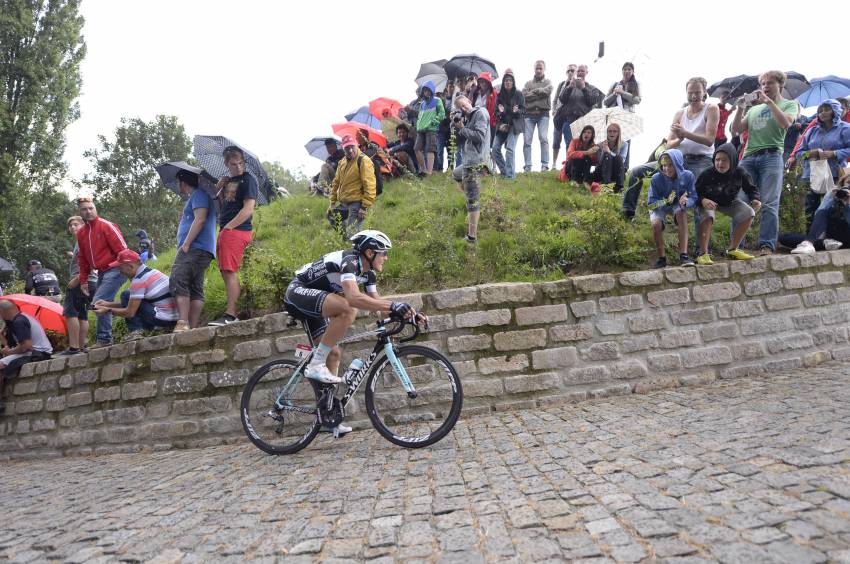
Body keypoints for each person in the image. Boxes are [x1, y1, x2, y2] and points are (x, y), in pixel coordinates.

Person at [283, 230, 421, 435]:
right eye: (383, 253)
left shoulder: (368, 274)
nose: (386, 257)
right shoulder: (350, 261)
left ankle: (328, 415)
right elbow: (354, 297)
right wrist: (394, 305)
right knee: (348, 308)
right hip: (297, 292)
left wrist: (410, 314)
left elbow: (378, 306)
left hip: (316, 301)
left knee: (334, 353)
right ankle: (315, 363)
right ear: (369, 252)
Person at [731, 70, 800, 255]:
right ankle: (735, 247)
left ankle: (766, 245)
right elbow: (736, 130)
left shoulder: (789, 104)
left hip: (772, 156)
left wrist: (769, 103)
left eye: (770, 83)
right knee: (740, 201)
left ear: (780, 85)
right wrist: (739, 109)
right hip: (748, 158)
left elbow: (786, 124)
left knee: (769, 202)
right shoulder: (753, 109)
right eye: (763, 84)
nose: (765, 87)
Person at [210, 146, 258, 326]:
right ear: (226, 164)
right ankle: (233, 311)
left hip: (236, 231)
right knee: (225, 271)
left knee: (229, 271)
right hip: (227, 230)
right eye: (233, 164)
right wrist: (219, 187)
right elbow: (225, 205)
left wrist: (228, 228)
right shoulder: (228, 181)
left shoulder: (248, 180)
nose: (238, 167)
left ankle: (231, 315)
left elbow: (248, 210)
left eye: (240, 163)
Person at [786, 99, 850, 231]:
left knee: (834, 205)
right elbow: (799, 153)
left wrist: (835, 153)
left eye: (827, 109)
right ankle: (811, 237)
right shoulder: (812, 131)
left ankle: (834, 235)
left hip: (835, 174)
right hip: (811, 173)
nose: (822, 113)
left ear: (836, 110)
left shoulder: (845, 128)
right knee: (810, 206)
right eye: (820, 110)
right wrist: (811, 153)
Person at [695, 143, 762, 264]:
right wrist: (703, 200)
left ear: (733, 161)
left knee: (749, 213)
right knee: (709, 216)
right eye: (717, 160)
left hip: (729, 202)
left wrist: (755, 199)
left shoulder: (740, 172)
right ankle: (703, 254)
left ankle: (732, 249)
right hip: (709, 202)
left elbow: (751, 188)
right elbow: (694, 192)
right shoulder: (706, 174)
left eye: (725, 160)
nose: (720, 163)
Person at [76, 197, 128, 347]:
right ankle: (125, 316)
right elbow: (82, 258)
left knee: (98, 302)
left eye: (91, 208)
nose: (88, 211)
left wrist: (124, 268)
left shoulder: (106, 225)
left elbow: (123, 250)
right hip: (101, 272)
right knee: (102, 302)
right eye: (85, 209)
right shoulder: (81, 233)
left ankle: (104, 339)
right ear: (80, 212)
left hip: (116, 268)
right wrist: (84, 280)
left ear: (95, 208)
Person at [93, 249, 178, 341]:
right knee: (128, 296)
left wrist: (107, 310)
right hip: (174, 317)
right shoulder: (152, 272)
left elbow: (130, 312)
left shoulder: (139, 280)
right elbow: (134, 302)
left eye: (121, 268)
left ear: (130, 266)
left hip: (164, 319)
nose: (120, 272)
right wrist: (107, 304)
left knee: (126, 294)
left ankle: (136, 333)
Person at [171, 170, 217, 332]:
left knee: (178, 279)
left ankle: (183, 322)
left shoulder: (198, 195)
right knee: (195, 286)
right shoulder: (197, 197)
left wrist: (186, 243)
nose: (178, 186)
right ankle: (191, 326)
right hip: (202, 249)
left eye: (178, 182)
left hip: (194, 248)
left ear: (183, 182)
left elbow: (200, 219)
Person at [0, 299, 52, 413]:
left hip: (37, 353)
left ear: (2, 311)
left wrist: (9, 352)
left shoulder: (19, 322)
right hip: (38, 351)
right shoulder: (22, 317)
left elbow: (26, 346)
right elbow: (16, 345)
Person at [648, 149, 697, 268]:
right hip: (659, 205)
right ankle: (662, 258)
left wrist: (686, 202)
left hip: (677, 204)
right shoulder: (656, 178)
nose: (666, 168)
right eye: (664, 165)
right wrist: (665, 202)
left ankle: (684, 255)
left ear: (678, 163)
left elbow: (694, 197)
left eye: (670, 165)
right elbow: (651, 204)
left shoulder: (688, 176)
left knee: (681, 213)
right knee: (656, 225)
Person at [452, 95, 490, 243]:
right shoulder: (466, 119)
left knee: (473, 201)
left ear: (470, 101)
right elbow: (458, 138)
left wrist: (463, 128)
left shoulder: (480, 113)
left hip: (476, 161)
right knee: (456, 174)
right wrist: (455, 124)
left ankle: (471, 238)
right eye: (460, 107)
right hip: (468, 161)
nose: (463, 108)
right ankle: (473, 205)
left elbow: (480, 136)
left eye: (464, 104)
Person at [60, 216, 98, 355]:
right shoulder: (83, 241)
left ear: (84, 225)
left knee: (71, 313)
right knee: (83, 315)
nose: (73, 227)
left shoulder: (83, 240)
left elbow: (88, 262)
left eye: (76, 224)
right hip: (92, 281)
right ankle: (82, 347)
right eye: (70, 226)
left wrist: (76, 279)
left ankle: (74, 348)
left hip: (81, 281)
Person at [555, 64, 604, 170]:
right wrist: (569, 87)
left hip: (584, 122)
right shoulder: (569, 85)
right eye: (579, 71)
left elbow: (592, 101)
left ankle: (581, 169)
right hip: (569, 120)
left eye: (582, 71)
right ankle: (568, 168)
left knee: (583, 145)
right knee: (569, 144)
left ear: (587, 73)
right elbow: (562, 99)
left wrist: (583, 88)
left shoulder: (592, 88)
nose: (580, 73)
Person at [327, 134, 377, 236]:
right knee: (332, 216)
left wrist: (364, 207)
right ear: (343, 149)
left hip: (358, 203)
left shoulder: (363, 160)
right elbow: (336, 182)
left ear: (356, 145)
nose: (350, 151)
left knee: (353, 233)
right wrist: (332, 202)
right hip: (345, 202)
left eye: (352, 147)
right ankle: (346, 243)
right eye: (347, 148)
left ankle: (354, 246)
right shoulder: (342, 162)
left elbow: (370, 185)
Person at [781, 187, 850, 254]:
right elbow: (819, 213)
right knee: (784, 237)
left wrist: (847, 205)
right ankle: (819, 243)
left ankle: (818, 243)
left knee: (814, 241)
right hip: (835, 238)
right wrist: (831, 197)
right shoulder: (835, 195)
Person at [603, 62, 641, 166]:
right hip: (613, 116)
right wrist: (615, 94)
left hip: (627, 117)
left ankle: (624, 167)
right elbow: (605, 101)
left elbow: (637, 100)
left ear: (633, 72)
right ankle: (608, 164)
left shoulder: (636, 84)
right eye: (625, 69)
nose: (627, 71)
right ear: (622, 71)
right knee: (611, 139)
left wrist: (623, 93)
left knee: (625, 141)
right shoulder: (615, 84)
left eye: (629, 69)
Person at [622, 138, 668, 219]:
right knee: (636, 171)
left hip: (685, 162)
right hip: (665, 161)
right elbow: (661, 148)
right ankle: (628, 210)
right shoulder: (673, 132)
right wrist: (662, 155)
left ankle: (668, 211)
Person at [491, 69, 525, 180]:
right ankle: (505, 172)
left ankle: (510, 177)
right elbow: (496, 112)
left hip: (514, 126)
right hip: (502, 126)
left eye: (510, 80)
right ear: (503, 82)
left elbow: (523, 110)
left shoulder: (519, 94)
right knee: (495, 149)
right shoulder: (499, 95)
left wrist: (517, 111)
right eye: (506, 80)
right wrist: (500, 116)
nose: (508, 82)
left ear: (513, 82)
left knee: (510, 149)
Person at [521, 60, 553, 172]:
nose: (538, 70)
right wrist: (540, 93)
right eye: (537, 68)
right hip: (529, 115)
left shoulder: (548, 82)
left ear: (544, 69)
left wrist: (534, 92)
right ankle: (527, 166)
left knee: (543, 138)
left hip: (543, 114)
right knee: (527, 140)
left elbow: (548, 91)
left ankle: (545, 165)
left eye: (541, 68)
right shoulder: (527, 83)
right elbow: (524, 96)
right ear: (534, 69)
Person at [413, 80, 445, 176]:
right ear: (422, 91)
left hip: (431, 129)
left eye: (428, 90)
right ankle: (423, 169)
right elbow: (420, 116)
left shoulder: (437, 100)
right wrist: (418, 125)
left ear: (431, 91)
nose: (426, 92)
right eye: (425, 90)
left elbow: (442, 114)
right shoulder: (422, 104)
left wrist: (435, 122)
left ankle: (429, 172)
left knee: (430, 150)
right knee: (416, 149)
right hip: (421, 129)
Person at [552, 64, 577, 167]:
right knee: (556, 140)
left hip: (570, 116)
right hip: (559, 115)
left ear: (575, 72)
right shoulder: (562, 84)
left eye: (572, 70)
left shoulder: (578, 84)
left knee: (569, 140)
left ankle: (568, 163)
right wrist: (554, 110)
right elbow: (556, 98)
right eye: (568, 71)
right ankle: (553, 163)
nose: (570, 72)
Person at [593, 123, 627, 191]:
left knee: (618, 157)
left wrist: (609, 151)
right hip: (601, 171)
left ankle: (619, 187)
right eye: (609, 131)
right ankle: (606, 185)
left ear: (618, 133)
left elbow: (622, 160)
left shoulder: (624, 144)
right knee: (607, 156)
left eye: (615, 131)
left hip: (616, 171)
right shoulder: (600, 144)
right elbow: (599, 162)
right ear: (607, 133)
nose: (612, 133)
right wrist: (604, 150)